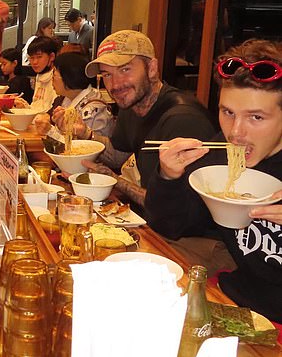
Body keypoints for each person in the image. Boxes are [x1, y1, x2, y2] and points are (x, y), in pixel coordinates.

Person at [145, 39, 282, 327]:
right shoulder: (219, 152)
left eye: (256, 117)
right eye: (228, 112)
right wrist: (169, 177)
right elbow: (172, 226)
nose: (236, 132)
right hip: (236, 300)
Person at [54, 30, 217, 209]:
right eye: (107, 74)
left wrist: (116, 181)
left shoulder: (183, 120)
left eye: (125, 69)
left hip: (185, 233)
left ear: (152, 69)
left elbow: (174, 209)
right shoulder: (131, 105)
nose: (115, 84)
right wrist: (85, 133)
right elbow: (117, 156)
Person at [33, 52, 114, 143]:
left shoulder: (93, 110)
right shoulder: (65, 99)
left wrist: (50, 131)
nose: (52, 79)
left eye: (54, 75)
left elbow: (82, 148)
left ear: (69, 77)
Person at [15, 36, 60, 113]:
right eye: (32, 58)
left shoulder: (57, 78)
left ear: (52, 56)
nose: (35, 62)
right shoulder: (40, 76)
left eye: (39, 57)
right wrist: (24, 106)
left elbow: (51, 112)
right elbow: (37, 107)